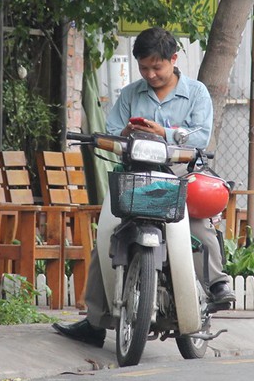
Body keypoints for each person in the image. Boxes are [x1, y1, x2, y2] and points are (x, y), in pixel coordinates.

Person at [52, 27, 233, 347]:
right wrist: (122, 133)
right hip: (135, 174)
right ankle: (95, 320)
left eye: (157, 67)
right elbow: (110, 132)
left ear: (173, 60)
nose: (150, 74)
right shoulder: (130, 94)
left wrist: (163, 131)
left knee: (199, 227)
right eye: (144, 68)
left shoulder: (197, 93)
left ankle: (218, 285)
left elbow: (202, 136)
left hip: (179, 172)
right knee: (106, 236)